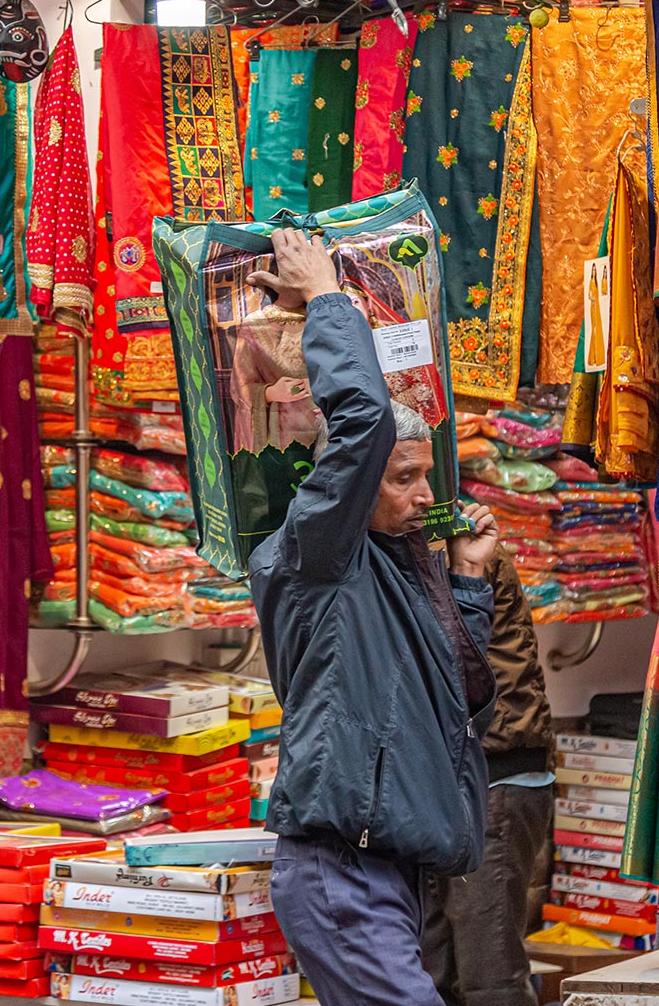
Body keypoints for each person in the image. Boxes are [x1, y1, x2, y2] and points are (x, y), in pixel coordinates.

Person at [245, 228, 500, 1006]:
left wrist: (467, 585)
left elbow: (447, 692)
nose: (426, 497)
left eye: (428, 479)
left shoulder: (390, 568)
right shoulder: (319, 557)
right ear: (350, 485)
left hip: (389, 870)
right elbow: (362, 425)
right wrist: (325, 293)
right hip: (340, 874)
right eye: (406, 480)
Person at [421, 548, 556, 1006]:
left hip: (493, 776)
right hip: (458, 781)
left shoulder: (456, 547)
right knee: (434, 972)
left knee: (488, 975)